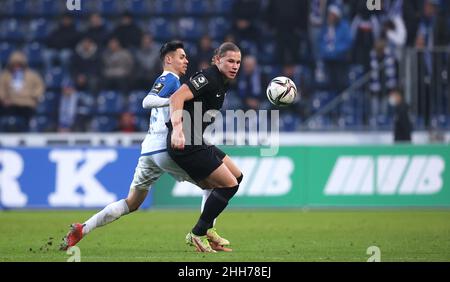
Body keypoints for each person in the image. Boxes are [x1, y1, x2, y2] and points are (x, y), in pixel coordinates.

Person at [60, 41, 231, 252]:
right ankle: (203, 233)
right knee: (215, 185)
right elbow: (147, 101)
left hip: (149, 149)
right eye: (181, 57)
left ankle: (84, 228)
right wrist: (172, 100)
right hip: (166, 146)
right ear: (168, 59)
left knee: (132, 202)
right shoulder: (169, 79)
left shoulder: (175, 82)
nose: (186, 61)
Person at [167, 42, 243, 253]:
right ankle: (198, 233)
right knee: (228, 185)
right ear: (217, 59)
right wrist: (177, 130)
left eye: (238, 62)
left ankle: (207, 229)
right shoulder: (209, 77)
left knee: (237, 177)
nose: (235, 65)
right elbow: (177, 97)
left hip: (196, 139)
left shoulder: (223, 82)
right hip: (186, 142)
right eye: (230, 61)